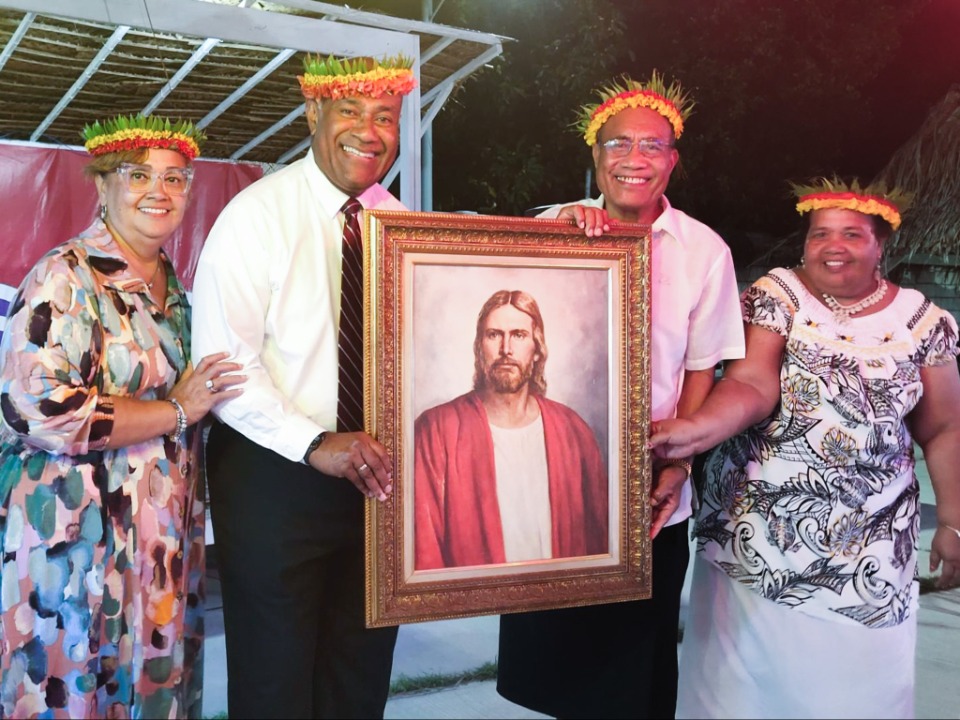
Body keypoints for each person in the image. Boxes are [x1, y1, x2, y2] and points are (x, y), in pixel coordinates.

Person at [649, 177, 960, 718]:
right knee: (740, 691)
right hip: (757, 537)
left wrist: (954, 523)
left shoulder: (923, 323)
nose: (833, 246)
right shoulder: (777, 296)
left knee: (857, 692)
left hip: (873, 547)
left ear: (880, 244)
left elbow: (944, 430)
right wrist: (696, 431)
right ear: (804, 243)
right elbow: (750, 382)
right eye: (820, 234)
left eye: (852, 234)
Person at [496, 72, 746, 719]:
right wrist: (557, 233)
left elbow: (700, 369)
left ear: (673, 161)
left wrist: (680, 461)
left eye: (652, 146)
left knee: (634, 665)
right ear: (595, 156)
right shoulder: (547, 227)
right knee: (552, 661)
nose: (634, 159)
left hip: (650, 490)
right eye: (618, 144)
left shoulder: (703, 252)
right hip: (550, 482)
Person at [190, 54, 417, 719]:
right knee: (274, 684)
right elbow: (223, 366)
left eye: (385, 116)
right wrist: (316, 442)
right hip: (275, 474)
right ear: (312, 114)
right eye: (349, 110)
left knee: (358, 678)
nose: (368, 131)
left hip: (375, 485)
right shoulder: (254, 216)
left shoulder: (401, 225)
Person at [0, 114, 243, 718]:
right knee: (74, 687)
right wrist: (174, 410)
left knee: (150, 689)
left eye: (176, 178)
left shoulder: (179, 291)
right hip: (74, 541)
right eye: (139, 175)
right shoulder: (67, 276)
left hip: (160, 545)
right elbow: (37, 408)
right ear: (103, 185)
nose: (159, 191)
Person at [414, 289, 608, 570]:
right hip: (476, 609)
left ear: (537, 347)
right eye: (494, 335)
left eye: (518, 335)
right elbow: (424, 550)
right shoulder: (435, 431)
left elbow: (600, 541)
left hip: (558, 603)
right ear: (479, 346)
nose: (506, 349)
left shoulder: (574, 432)